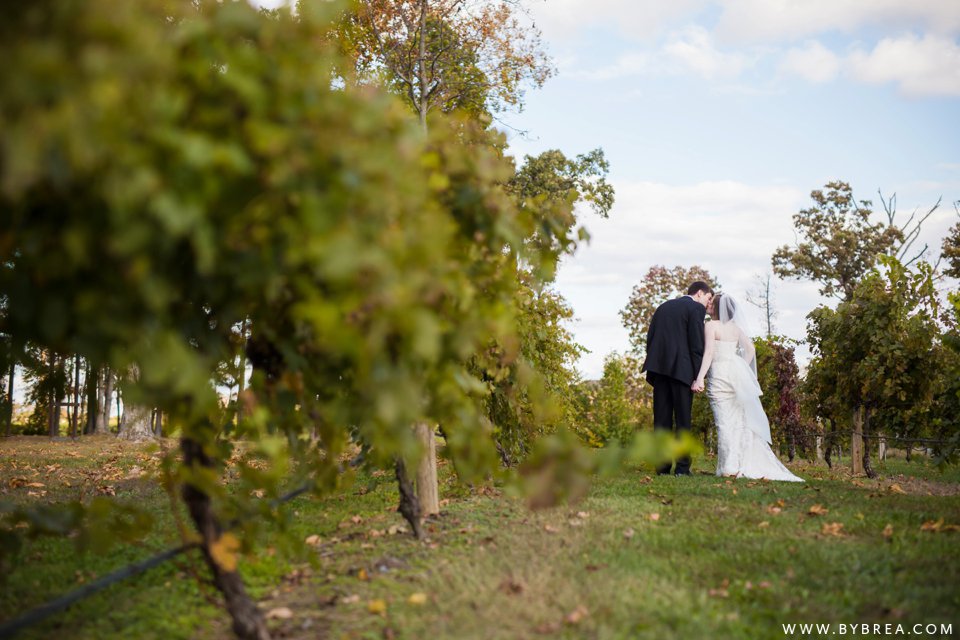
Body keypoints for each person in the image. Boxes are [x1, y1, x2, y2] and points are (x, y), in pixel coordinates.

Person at [692, 293, 803, 482]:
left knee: (724, 423)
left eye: (712, 303)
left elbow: (709, 352)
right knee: (736, 422)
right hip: (735, 376)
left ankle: (729, 467)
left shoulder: (710, 326)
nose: (708, 305)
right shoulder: (735, 328)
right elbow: (750, 349)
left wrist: (699, 378)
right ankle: (734, 464)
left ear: (718, 308)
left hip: (719, 376)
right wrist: (740, 365)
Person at [642, 281, 713, 475]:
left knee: (661, 420)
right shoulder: (695, 308)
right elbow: (696, 345)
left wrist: (655, 364)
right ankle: (682, 468)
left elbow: (651, 338)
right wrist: (699, 377)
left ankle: (662, 468)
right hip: (682, 373)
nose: (707, 305)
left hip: (660, 370)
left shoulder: (663, 306)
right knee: (683, 420)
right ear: (699, 293)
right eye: (708, 299)